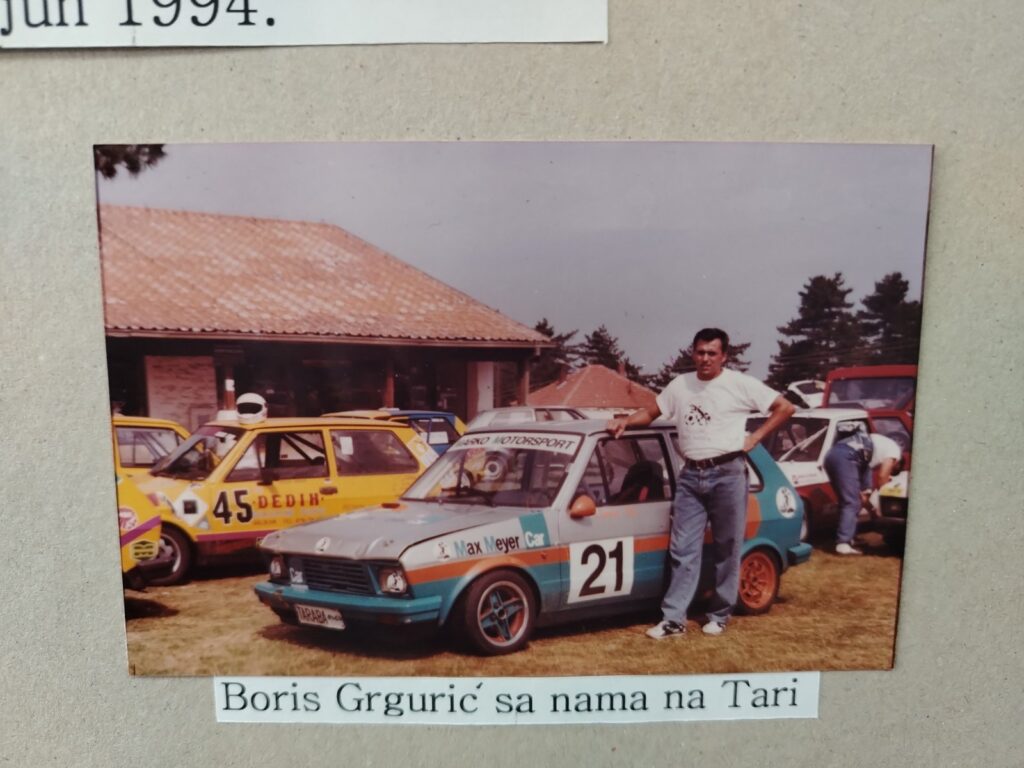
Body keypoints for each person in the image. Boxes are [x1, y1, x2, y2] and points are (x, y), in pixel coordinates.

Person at [607, 328, 794, 639]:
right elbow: (651, 412)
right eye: (700, 352)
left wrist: (755, 438)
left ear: (724, 356)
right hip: (691, 476)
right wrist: (625, 421)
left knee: (727, 547)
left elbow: (785, 407)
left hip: (728, 473)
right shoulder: (680, 385)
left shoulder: (739, 384)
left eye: (711, 353)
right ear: (692, 354)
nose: (705, 358)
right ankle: (674, 620)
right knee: (682, 549)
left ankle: (719, 615)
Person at [823, 426, 902, 555]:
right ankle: (843, 543)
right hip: (847, 456)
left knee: (849, 501)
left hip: (832, 454)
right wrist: (883, 502)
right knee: (851, 502)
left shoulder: (874, 452)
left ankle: (849, 537)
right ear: (897, 463)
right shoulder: (895, 452)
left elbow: (864, 497)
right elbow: (882, 476)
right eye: (892, 470)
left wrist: (872, 510)